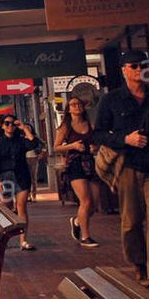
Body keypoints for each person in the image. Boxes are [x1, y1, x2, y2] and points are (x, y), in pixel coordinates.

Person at [92, 52, 149, 296]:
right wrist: (124, 139)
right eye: (134, 66)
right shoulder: (111, 100)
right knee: (131, 222)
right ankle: (139, 266)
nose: (139, 69)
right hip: (128, 166)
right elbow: (98, 134)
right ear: (124, 70)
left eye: (143, 65)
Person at [53, 95, 100, 247]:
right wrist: (72, 146)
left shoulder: (89, 124)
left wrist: (95, 147)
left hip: (90, 163)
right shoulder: (66, 127)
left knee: (93, 204)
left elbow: (97, 142)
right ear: (68, 109)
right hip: (75, 164)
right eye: (73, 104)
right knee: (85, 201)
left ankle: (77, 221)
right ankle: (86, 237)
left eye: (79, 104)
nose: (77, 107)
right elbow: (56, 147)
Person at [0, 117, 40, 251]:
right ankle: (4, 236)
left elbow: (34, 143)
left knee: (21, 206)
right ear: (2, 126)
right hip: (5, 177)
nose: (10, 126)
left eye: (12, 123)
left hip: (21, 175)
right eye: (6, 123)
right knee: (7, 207)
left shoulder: (21, 141)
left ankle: (23, 240)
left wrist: (24, 127)